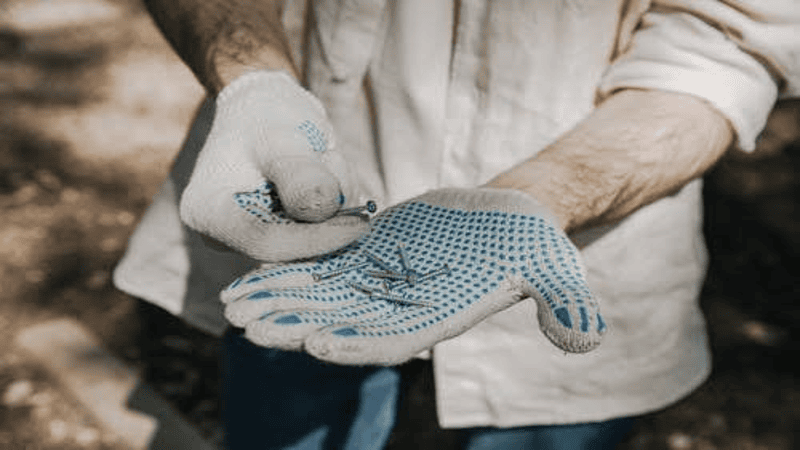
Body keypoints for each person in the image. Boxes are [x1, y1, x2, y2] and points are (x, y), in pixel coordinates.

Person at [113, 1, 800, 449]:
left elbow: (725, 48)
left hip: (574, 241)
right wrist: (253, 81)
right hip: (302, 232)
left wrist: (539, 198)